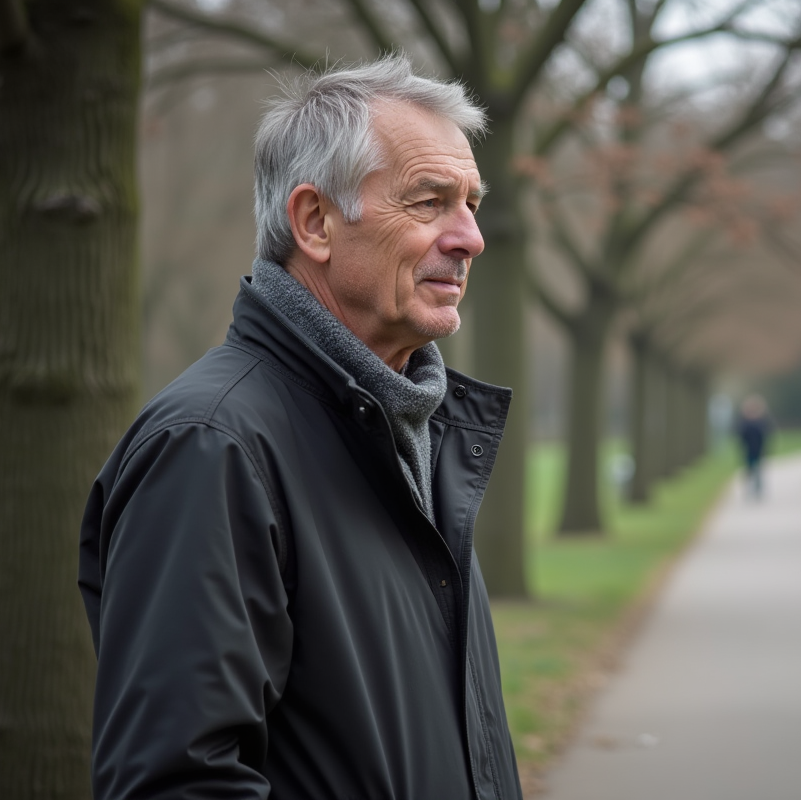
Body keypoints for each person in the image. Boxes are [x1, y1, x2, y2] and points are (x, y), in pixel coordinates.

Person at [78, 56, 522, 800]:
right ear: (314, 221)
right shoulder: (211, 446)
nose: (470, 237)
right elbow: (176, 782)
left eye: (472, 203)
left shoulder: (418, 430)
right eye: (430, 202)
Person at [736, 394, 771, 499]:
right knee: (749, 471)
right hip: (748, 451)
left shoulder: (761, 422)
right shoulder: (745, 422)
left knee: (758, 471)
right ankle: (748, 490)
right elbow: (741, 437)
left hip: (759, 450)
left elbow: (766, 436)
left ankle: (757, 490)